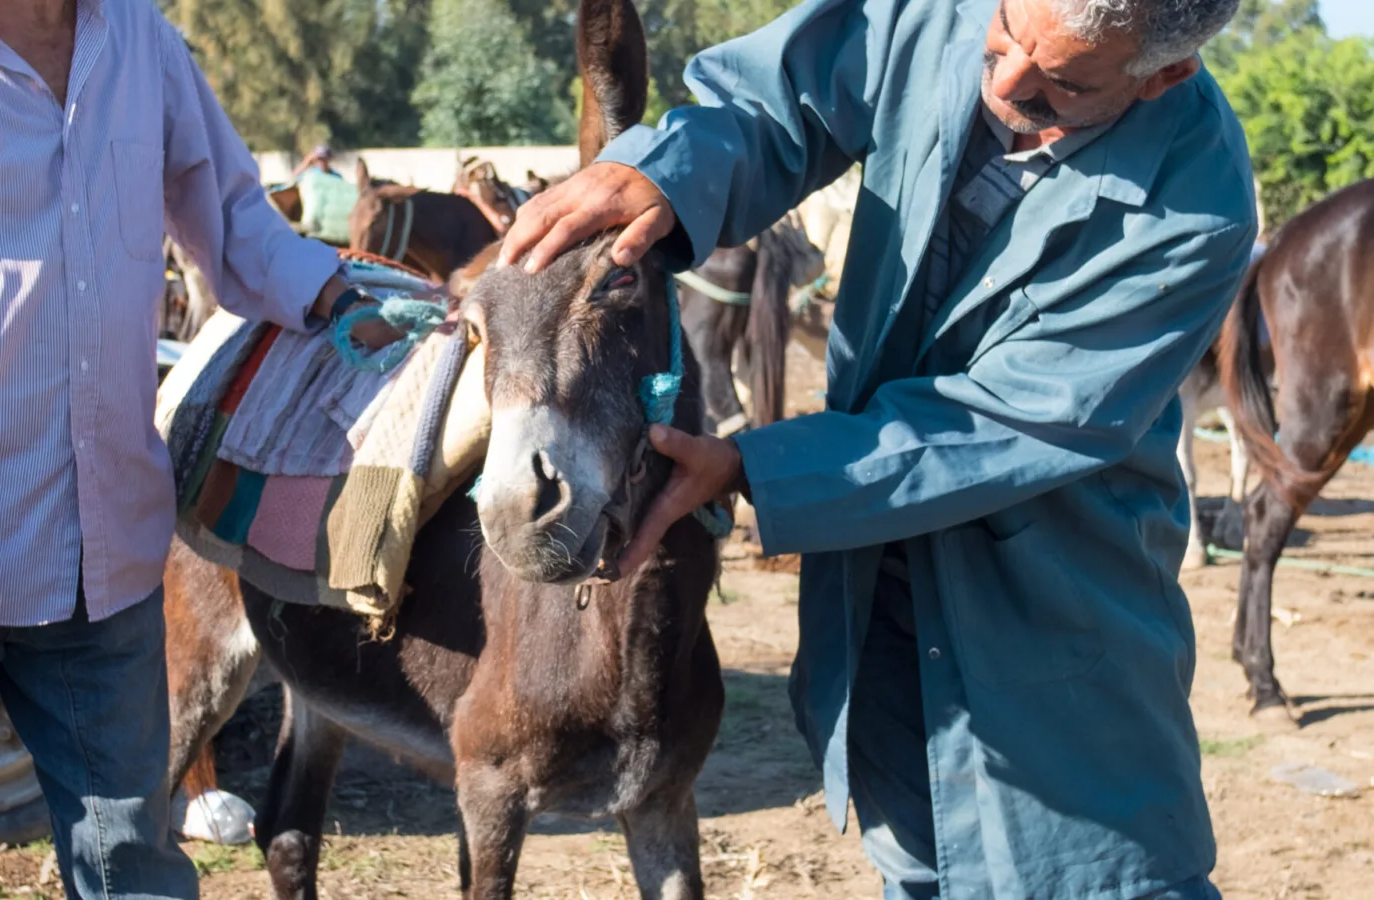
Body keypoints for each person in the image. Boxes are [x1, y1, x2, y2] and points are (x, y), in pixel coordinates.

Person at [501, 0, 1254, 897]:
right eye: (1005, 35)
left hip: (1047, 599)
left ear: (1165, 74)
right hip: (870, 580)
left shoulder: (1195, 209)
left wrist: (759, 468)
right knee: (915, 853)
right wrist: (666, 172)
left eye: (1065, 81)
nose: (1006, 83)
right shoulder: (936, 12)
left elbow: (1008, 423)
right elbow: (782, 104)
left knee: (1092, 869)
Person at [0, 1, 394, 897]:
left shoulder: (139, 40)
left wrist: (340, 300)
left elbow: (228, 215)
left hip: (97, 547)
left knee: (134, 864)